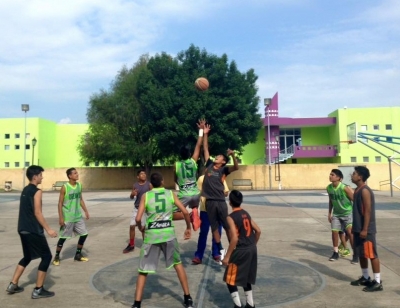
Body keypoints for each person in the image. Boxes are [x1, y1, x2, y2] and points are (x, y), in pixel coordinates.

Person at [131, 173, 194, 308]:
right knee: (178, 264)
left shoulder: (146, 196)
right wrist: (188, 227)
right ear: (163, 182)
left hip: (151, 235)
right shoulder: (170, 194)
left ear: (151, 185)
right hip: (168, 235)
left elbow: (137, 218)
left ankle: (137, 304)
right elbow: (184, 211)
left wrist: (141, 228)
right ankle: (188, 298)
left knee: (143, 270)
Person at [6, 165, 58, 299]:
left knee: (28, 256)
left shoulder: (25, 189)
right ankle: (38, 290)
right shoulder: (37, 191)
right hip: (33, 230)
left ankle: (13, 284)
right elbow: (37, 212)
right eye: (41, 175)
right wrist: (49, 229)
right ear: (35, 177)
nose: (42, 177)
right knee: (46, 257)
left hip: (22, 228)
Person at [202, 123, 239, 260]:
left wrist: (233, 155)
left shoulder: (224, 170)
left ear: (223, 162)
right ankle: (220, 248)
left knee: (227, 227)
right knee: (214, 228)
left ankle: (232, 250)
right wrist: (205, 133)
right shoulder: (209, 165)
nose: (216, 157)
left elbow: (236, 168)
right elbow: (205, 148)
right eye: (216, 156)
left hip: (220, 202)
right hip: (210, 202)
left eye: (219, 156)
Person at [222, 190, 261, 308]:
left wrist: (227, 256)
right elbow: (258, 230)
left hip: (241, 250)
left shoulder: (231, 217)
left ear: (230, 202)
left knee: (230, 279)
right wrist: (253, 244)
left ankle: (237, 305)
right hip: (251, 248)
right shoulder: (246, 213)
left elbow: (234, 238)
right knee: (246, 277)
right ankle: (250, 304)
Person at [350, 166, 383, 292]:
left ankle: (377, 281)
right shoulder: (357, 190)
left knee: (371, 254)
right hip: (358, 228)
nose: (352, 175)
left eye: (354, 173)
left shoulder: (365, 190)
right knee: (362, 254)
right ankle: (365, 277)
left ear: (360, 177)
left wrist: (365, 229)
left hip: (366, 230)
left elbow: (368, 211)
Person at [52, 168, 90, 265]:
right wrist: (61, 217)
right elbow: (60, 203)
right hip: (68, 217)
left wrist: (86, 210)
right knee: (63, 237)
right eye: (75, 173)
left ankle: (78, 254)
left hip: (77, 216)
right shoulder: (65, 187)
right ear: (70, 176)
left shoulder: (79, 185)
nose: (77, 174)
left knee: (84, 234)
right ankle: (56, 257)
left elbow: (80, 199)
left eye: (77, 173)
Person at [174, 119, 205, 231]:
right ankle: (195, 210)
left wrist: (183, 185)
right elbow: (198, 144)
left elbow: (175, 179)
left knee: (171, 214)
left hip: (185, 194)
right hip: (196, 193)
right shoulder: (193, 161)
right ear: (190, 154)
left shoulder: (176, 165)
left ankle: (189, 215)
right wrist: (201, 130)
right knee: (194, 204)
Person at [192, 173, 229, 265]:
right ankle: (199, 256)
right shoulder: (201, 179)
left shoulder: (220, 177)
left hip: (217, 209)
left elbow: (226, 192)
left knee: (217, 231)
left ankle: (216, 253)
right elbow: (197, 193)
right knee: (203, 232)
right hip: (205, 209)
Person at [327, 169, 355, 262]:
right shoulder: (329, 188)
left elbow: (354, 200)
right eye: (330, 174)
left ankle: (355, 254)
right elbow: (331, 200)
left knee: (350, 233)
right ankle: (335, 252)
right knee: (334, 232)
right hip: (337, 214)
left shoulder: (344, 188)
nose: (330, 176)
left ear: (339, 178)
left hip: (348, 213)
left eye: (333, 175)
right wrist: (329, 213)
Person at [123, 169, 152, 253]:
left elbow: (153, 195)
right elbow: (131, 197)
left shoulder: (149, 185)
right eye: (142, 174)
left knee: (143, 228)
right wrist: (132, 194)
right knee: (132, 226)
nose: (144, 175)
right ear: (138, 176)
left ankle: (146, 245)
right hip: (136, 208)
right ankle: (131, 245)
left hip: (145, 209)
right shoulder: (135, 185)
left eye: (144, 174)